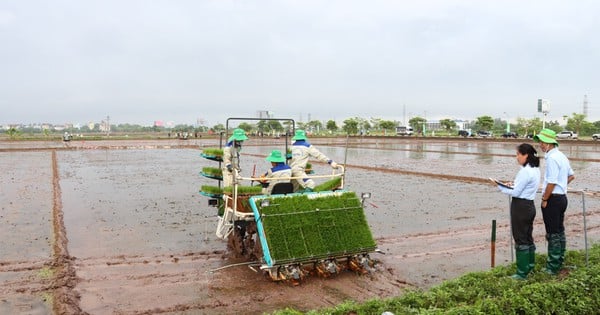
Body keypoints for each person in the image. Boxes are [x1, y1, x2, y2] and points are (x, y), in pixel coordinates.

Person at [493, 143, 540, 279]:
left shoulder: (525, 171)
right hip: (529, 205)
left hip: (521, 207)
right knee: (527, 236)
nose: (516, 157)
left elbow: (517, 192)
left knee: (520, 238)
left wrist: (500, 186)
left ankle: (522, 273)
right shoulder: (535, 169)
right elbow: (522, 186)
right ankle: (529, 266)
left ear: (526, 155)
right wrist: (511, 185)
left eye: (518, 154)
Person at [533, 128, 575, 275]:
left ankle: (552, 267)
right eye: (540, 142)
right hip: (562, 198)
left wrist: (545, 198)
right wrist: (561, 186)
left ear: (550, 143)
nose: (541, 145)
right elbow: (571, 176)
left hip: (553, 200)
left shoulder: (551, 158)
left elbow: (551, 182)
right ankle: (559, 261)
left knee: (552, 233)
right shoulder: (561, 156)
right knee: (559, 230)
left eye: (542, 142)